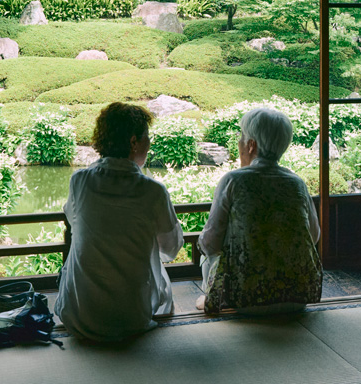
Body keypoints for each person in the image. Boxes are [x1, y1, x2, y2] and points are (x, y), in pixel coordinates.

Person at [55, 102, 184, 342]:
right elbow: (171, 248)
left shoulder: (80, 180)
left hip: (80, 313)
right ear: (134, 141)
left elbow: (74, 222)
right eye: (147, 137)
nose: (149, 143)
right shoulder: (153, 190)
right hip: (132, 316)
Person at [197, 106, 322, 314]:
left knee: (206, 252)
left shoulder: (234, 180)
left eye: (241, 138)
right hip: (296, 296)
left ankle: (213, 296)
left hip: (247, 298)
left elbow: (210, 242)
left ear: (251, 145)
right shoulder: (296, 183)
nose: (239, 144)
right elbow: (314, 235)